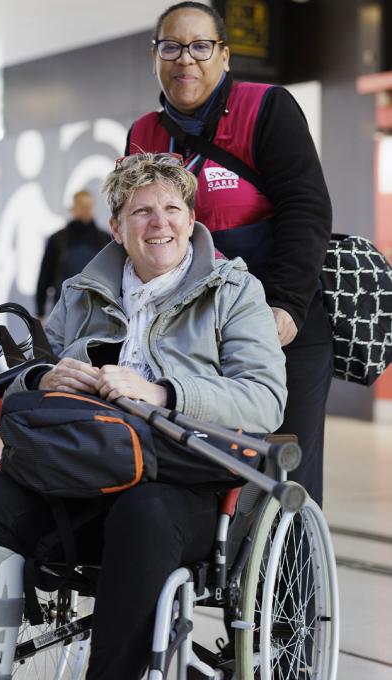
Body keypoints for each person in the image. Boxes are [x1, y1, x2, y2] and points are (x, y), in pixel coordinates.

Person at [0, 154, 287, 680]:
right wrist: (41, 379)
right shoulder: (83, 291)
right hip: (75, 475)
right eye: (141, 211)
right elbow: (25, 375)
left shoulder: (234, 291)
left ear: (192, 221)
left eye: (172, 209)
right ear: (117, 227)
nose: (159, 222)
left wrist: (164, 392)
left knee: (142, 514)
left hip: (182, 481)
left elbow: (264, 397)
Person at [126, 1, 333, 508]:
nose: (185, 60)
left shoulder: (266, 108)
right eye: (170, 47)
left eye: (200, 46)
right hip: (189, 333)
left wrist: (286, 307)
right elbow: (134, 233)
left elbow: (305, 209)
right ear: (155, 57)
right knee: (193, 469)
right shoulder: (144, 135)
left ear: (224, 56)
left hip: (281, 323)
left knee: (281, 482)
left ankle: (290, 586)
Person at [35, 189, 109, 318]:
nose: (86, 210)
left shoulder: (104, 239)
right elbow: (45, 276)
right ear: (73, 209)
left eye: (88, 206)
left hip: (98, 310)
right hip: (63, 309)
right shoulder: (58, 239)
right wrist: (40, 311)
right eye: (82, 206)